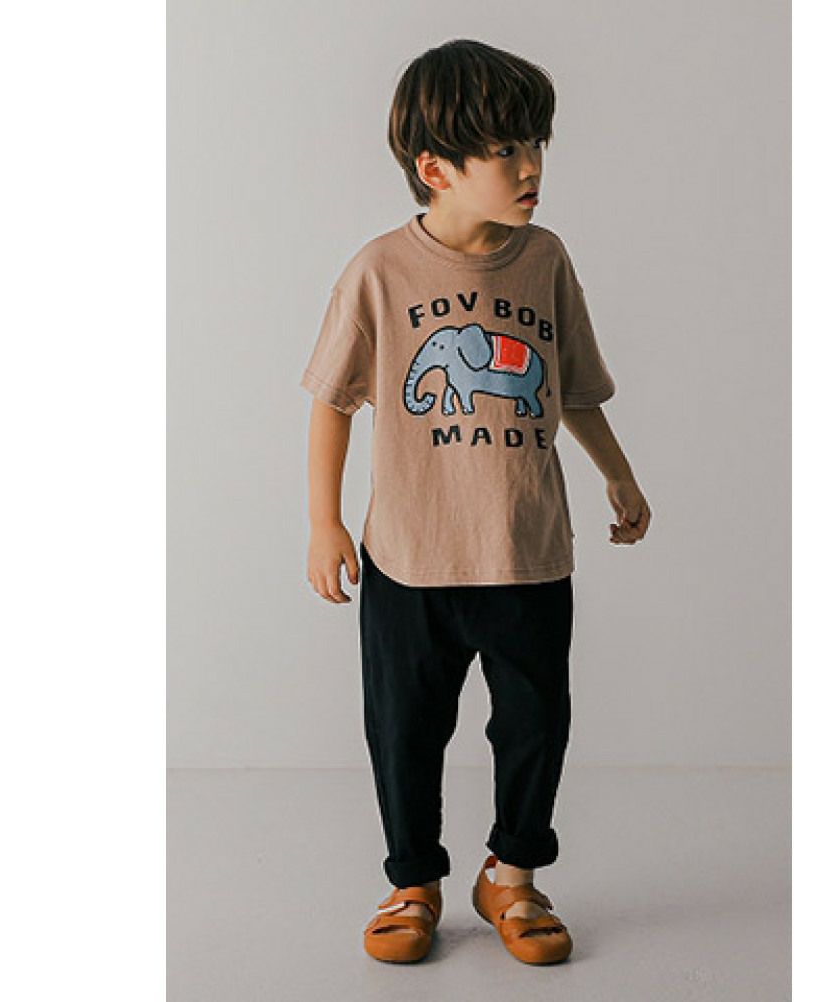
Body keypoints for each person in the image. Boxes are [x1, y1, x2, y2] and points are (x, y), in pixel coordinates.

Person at [300, 38, 650, 965]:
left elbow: (571, 388)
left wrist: (617, 471)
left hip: (526, 551)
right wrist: (324, 522)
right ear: (435, 168)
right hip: (408, 555)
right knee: (403, 728)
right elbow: (332, 399)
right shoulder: (380, 271)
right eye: (505, 150)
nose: (531, 167)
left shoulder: (545, 260)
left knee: (536, 724)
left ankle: (513, 875)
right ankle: (412, 881)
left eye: (536, 144)